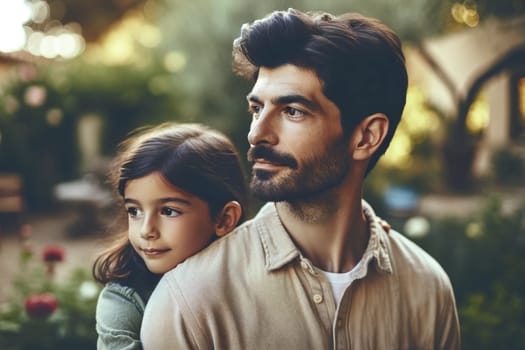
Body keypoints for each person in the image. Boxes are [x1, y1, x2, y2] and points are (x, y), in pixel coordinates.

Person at [141, 8, 460, 349]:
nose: (257, 134)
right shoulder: (189, 304)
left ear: (366, 137)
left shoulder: (427, 290)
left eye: (292, 111)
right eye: (256, 109)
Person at [92, 122, 248, 349]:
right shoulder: (124, 302)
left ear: (224, 219)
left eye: (168, 211)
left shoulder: (254, 277)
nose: (146, 230)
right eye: (134, 211)